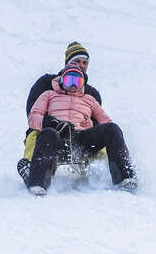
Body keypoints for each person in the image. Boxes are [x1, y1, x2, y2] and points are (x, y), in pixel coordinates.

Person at [25, 64, 137, 195]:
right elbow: (33, 117)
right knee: (48, 134)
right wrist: (53, 123)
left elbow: (106, 122)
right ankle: (37, 183)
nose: (73, 85)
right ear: (61, 80)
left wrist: (92, 127)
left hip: (82, 139)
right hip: (58, 138)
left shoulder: (89, 99)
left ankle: (125, 176)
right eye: (69, 80)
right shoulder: (49, 95)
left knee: (112, 129)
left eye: (77, 82)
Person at [17, 41, 102, 183]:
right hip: (50, 133)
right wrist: (53, 124)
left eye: (84, 62)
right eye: (77, 61)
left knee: (101, 136)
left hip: (80, 136)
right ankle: (32, 167)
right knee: (34, 133)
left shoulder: (91, 93)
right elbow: (32, 113)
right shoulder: (46, 83)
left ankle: (104, 170)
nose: (81, 65)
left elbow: (97, 122)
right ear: (67, 63)